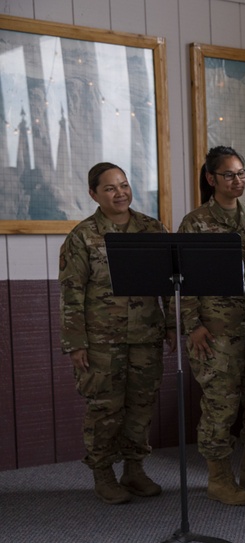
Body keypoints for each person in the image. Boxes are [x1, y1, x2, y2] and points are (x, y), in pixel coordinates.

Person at [59, 162, 175, 504]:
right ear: (94, 194)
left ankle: (135, 470)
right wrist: (75, 343)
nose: (120, 193)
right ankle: (103, 473)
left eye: (123, 185)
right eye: (110, 188)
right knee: (105, 409)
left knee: (141, 406)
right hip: (100, 342)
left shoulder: (153, 230)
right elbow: (71, 294)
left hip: (146, 335)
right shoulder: (83, 236)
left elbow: (170, 284)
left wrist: (170, 324)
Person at [175, 146, 245, 506]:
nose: (237, 181)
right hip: (216, 331)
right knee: (221, 404)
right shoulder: (196, 222)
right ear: (211, 179)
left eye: (241, 173)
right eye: (229, 175)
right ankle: (219, 478)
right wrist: (193, 325)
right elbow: (182, 278)